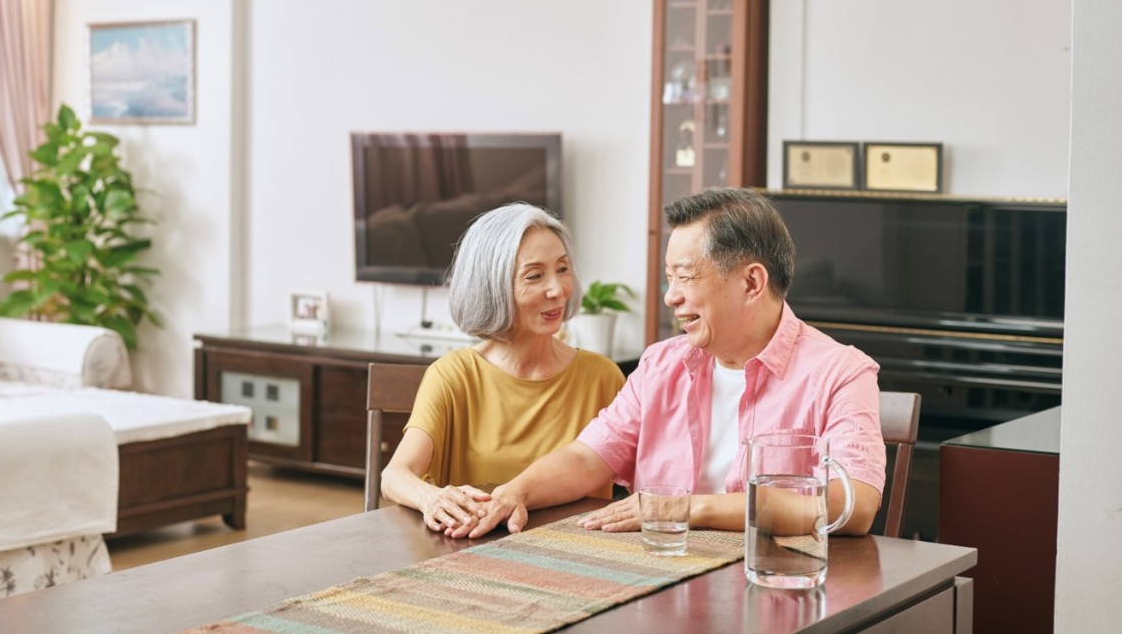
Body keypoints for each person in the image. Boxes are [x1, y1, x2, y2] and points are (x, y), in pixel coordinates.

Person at [468, 186, 886, 540]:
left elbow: (853, 502)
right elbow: (587, 458)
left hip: (774, 584)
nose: (671, 297)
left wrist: (689, 509)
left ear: (751, 282)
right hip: (657, 576)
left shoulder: (841, 373)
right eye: (670, 279)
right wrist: (515, 492)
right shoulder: (660, 364)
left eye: (685, 277)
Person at [380, 202, 626, 534]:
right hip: (468, 554)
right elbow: (395, 475)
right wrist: (432, 499)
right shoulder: (453, 376)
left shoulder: (602, 377)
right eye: (535, 276)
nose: (558, 290)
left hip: (578, 558)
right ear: (492, 286)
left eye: (563, 268)